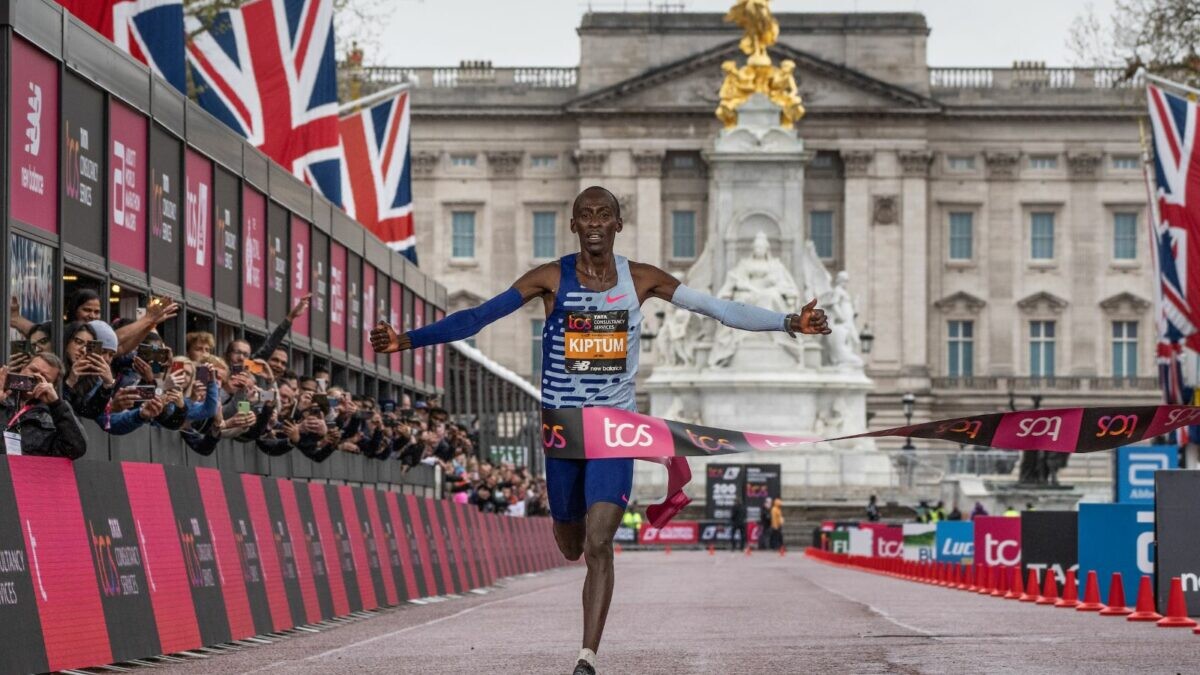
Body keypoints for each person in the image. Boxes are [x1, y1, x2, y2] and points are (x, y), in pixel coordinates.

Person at [371, 188, 832, 675]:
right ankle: (573, 549)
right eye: (586, 215)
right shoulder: (550, 278)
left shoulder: (642, 279)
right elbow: (478, 317)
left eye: (604, 215)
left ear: (618, 224)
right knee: (571, 543)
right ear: (573, 225)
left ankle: (586, 657)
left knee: (598, 542)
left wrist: (788, 321)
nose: (594, 222)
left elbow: (717, 308)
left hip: (615, 429)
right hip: (564, 430)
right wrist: (407, 340)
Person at [0, 354, 88, 458]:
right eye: (33, 370)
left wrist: (57, 404)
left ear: (52, 386)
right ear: (23, 369)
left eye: (44, 377)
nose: (35, 376)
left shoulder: (51, 417)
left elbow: (76, 448)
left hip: (24, 467)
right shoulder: (3, 396)